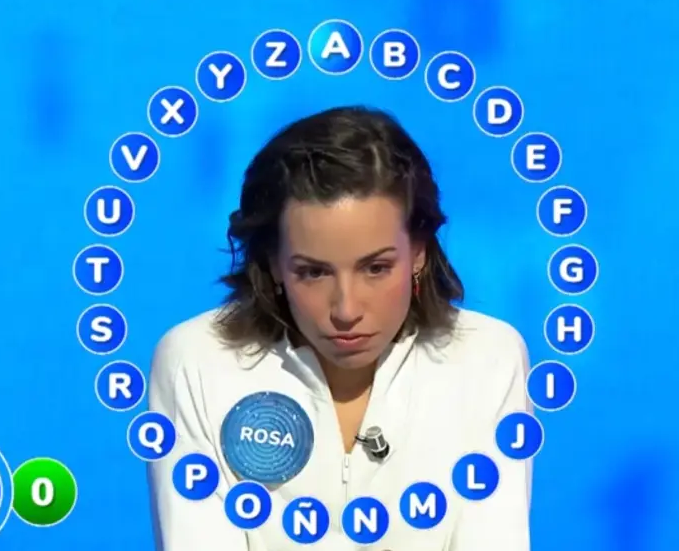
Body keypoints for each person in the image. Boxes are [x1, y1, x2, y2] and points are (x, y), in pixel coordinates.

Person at [147, 106, 533, 550]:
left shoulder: (488, 360)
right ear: (273, 263)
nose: (346, 310)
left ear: (419, 252)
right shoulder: (195, 362)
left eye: (376, 268)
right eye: (313, 272)